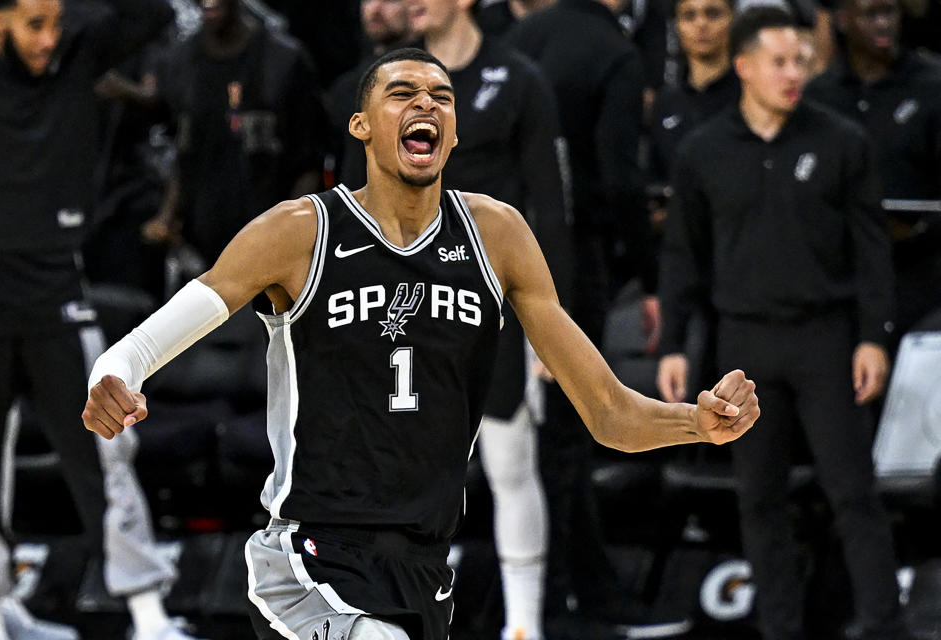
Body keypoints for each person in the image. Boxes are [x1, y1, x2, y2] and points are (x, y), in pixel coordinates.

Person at [82, 47, 759, 640]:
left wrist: (696, 424)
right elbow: (142, 345)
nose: (425, 104)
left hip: (425, 567)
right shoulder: (297, 234)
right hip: (309, 554)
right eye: (401, 93)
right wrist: (112, 376)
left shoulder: (496, 236)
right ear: (362, 126)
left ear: (454, 131)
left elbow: (609, 415)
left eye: (441, 96)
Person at [657, 7, 910, 640]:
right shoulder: (702, 151)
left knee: (853, 492)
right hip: (742, 342)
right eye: (779, 61)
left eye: (801, 60)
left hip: (824, 337)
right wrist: (673, 344)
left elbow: (872, 250)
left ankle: (885, 626)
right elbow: (683, 255)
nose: (793, 72)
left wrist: (873, 337)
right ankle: (779, 628)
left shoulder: (842, 141)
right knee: (758, 499)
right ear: (743, 67)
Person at [0, 0, 205, 639]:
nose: (49, 39)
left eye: (57, 21)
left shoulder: (79, 50)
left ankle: (146, 613)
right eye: (33, 25)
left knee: (108, 436)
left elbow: (156, 13)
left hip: (54, 278)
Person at [506, 3, 692, 637]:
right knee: (566, 437)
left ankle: (557, 593)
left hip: (493, 253)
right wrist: (647, 274)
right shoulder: (612, 51)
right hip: (568, 259)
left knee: (529, 438)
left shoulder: (522, 35)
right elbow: (619, 178)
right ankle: (564, 600)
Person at [406, 1, 571, 638]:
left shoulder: (520, 78)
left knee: (509, 463)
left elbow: (550, 210)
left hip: (492, 307)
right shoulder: (389, 83)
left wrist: (548, 328)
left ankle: (523, 625)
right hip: (406, 309)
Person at [141, 0, 328, 266]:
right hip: (199, 248)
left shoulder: (284, 60)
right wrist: (166, 216)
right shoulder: (180, 63)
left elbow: (310, 160)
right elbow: (182, 151)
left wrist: (288, 232)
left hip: (271, 245)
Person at [804, 0, 941, 345]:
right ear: (843, 18)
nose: (883, 24)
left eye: (889, 12)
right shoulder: (819, 94)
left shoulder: (932, 85)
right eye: (870, 14)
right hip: (836, 276)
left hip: (918, 272)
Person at [652, 0, 739, 403]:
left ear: (733, 20)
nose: (701, 25)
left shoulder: (749, 98)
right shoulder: (666, 104)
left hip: (740, 263)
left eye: (713, 13)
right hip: (682, 257)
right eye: (689, 15)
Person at [328, 0, 414, 189]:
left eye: (389, 1)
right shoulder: (346, 87)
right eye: (368, 0)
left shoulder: (433, 79)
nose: (375, 9)